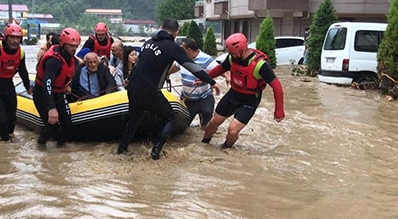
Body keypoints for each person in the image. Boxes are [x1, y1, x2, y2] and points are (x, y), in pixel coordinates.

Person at [117, 18, 217, 160]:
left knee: (134, 119)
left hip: (132, 87)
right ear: (176, 32)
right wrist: (211, 81)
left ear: (160, 27)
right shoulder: (172, 47)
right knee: (170, 117)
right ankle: (155, 152)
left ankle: (122, 149)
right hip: (149, 90)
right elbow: (192, 67)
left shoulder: (148, 43)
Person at [201, 33, 285, 148]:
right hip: (233, 94)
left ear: (241, 50)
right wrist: (205, 78)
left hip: (250, 100)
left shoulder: (261, 65)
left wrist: (279, 109)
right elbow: (221, 69)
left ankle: (225, 148)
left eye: (232, 52)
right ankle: (204, 145)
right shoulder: (231, 58)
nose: (230, 55)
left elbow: (277, 86)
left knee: (232, 131)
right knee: (213, 122)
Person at [33, 27, 81, 147]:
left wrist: (67, 86)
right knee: (51, 127)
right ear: (62, 43)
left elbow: (69, 72)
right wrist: (52, 107)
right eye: (71, 46)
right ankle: (40, 145)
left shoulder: (70, 58)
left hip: (59, 93)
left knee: (67, 124)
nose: (74, 49)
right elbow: (47, 84)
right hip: (43, 94)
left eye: (76, 46)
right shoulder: (53, 61)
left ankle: (60, 151)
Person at [172, 38, 220, 128]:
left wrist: (228, 77)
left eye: (182, 48)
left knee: (206, 123)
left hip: (205, 96)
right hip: (187, 98)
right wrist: (165, 76)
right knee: (183, 126)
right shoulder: (182, 59)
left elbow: (220, 70)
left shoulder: (206, 59)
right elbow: (174, 68)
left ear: (188, 50)